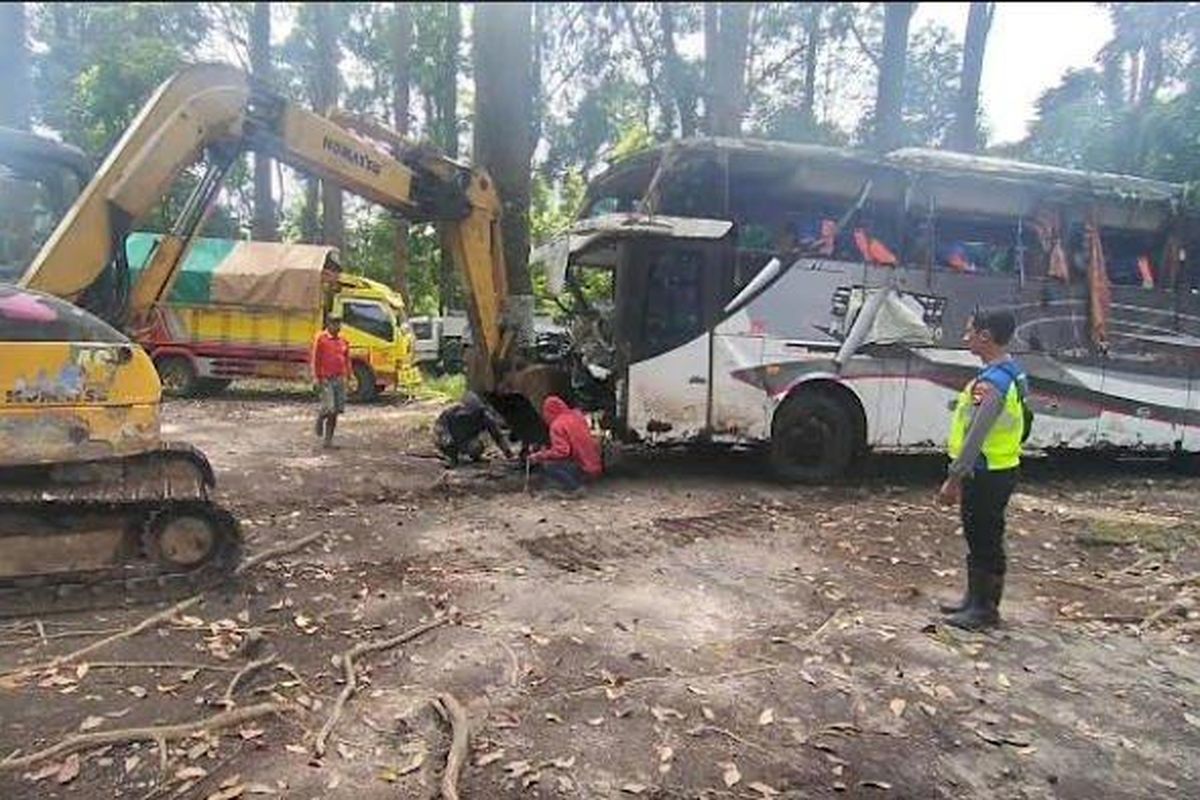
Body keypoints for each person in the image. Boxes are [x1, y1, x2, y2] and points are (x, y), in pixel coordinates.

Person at [937, 308, 1027, 630]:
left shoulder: (991, 384)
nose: (965, 338)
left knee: (984, 538)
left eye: (969, 332)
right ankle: (973, 601)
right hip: (1000, 467)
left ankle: (985, 610)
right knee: (980, 536)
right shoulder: (1012, 372)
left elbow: (975, 435)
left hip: (986, 471)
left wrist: (954, 478)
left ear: (985, 337)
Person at [528, 395, 603, 495]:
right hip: (594, 467)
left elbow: (562, 451)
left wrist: (539, 455)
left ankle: (575, 488)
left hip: (583, 468)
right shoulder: (577, 417)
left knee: (548, 465)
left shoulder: (557, 425)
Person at [434, 390, 514, 467]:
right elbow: (439, 426)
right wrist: (445, 436)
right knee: (445, 441)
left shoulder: (485, 418)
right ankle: (451, 458)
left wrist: (508, 453)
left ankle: (474, 457)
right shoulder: (451, 413)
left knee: (476, 447)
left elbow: (497, 436)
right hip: (452, 440)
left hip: (468, 441)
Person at [311, 316, 352, 448]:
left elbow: (346, 360)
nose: (337, 327)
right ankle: (320, 419)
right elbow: (316, 360)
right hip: (326, 379)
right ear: (328, 324)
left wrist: (349, 377)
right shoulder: (321, 339)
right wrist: (316, 378)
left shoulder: (344, 340)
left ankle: (328, 441)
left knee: (336, 412)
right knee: (329, 407)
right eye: (334, 324)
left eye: (339, 324)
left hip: (339, 378)